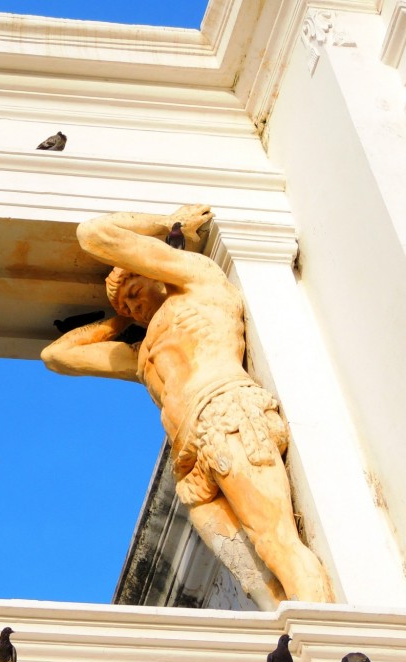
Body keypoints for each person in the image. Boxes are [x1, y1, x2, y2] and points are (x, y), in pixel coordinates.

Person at [41, 204, 334, 605]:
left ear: (157, 269)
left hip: (225, 417)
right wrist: (119, 318)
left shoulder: (200, 285)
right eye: (126, 305)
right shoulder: (142, 354)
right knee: (259, 586)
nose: (133, 306)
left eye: (134, 292)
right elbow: (58, 356)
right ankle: (295, 648)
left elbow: (93, 232)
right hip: (192, 466)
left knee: (276, 542)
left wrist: (167, 226)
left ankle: (328, 645)